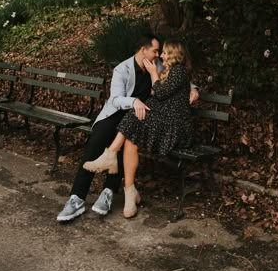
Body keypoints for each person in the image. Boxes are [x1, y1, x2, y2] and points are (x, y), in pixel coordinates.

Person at [56, 34, 199, 222]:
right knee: (96, 141)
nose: (158, 55)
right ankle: (77, 197)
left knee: (129, 137)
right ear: (143, 50)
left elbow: (177, 76)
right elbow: (115, 99)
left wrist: (193, 88)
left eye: (160, 52)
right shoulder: (122, 69)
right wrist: (134, 102)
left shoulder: (155, 65)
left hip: (143, 117)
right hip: (118, 112)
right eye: (155, 51)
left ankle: (108, 192)